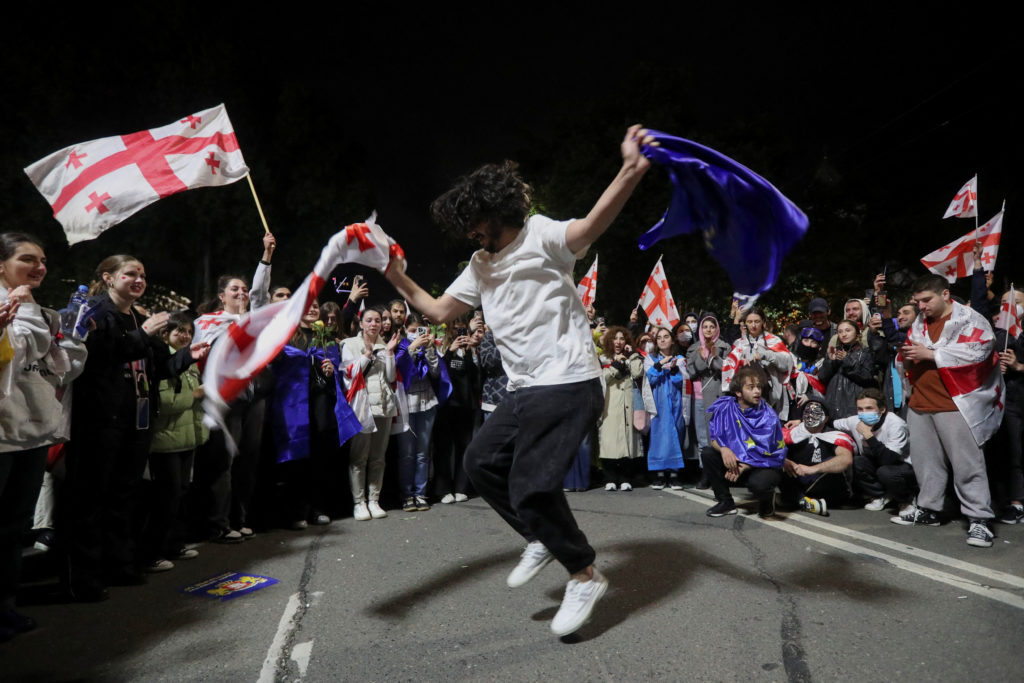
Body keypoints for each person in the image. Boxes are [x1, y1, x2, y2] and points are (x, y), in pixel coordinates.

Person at [384, 125, 653, 637]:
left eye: (475, 223)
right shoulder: (479, 264)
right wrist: (394, 273)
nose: (471, 233)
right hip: (524, 389)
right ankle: (541, 534)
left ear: (496, 211)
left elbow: (590, 226)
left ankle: (583, 572)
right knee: (480, 462)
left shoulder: (543, 236)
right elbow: (438, 311)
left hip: (568, 381)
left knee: (531, 484)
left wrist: (630, 169)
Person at [64, 255, 208, 601]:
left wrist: (188, 356)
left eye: (142, 274)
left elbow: (160, 367)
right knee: (92, 499)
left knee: (124, 495)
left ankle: (119, 564)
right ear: (108, 278)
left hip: (137, 421)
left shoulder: (138, 317)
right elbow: (98, 358)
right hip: (101, 420)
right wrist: (142, 334)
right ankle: (84, 577)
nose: (139, 280)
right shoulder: (95, 312)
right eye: (130, 274)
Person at [0, 233, 84, 639]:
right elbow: (25, 350)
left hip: (32, 433)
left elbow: (62, 366)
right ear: (1, 265)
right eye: (27, 259)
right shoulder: (19, 309)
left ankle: (5, 606)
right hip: (2, 433)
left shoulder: (42, 311)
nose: (39, 267)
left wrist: (72, 338)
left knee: (13, 528)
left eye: (43, 260)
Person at [895, 274, 1003, 548]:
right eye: (918, 302)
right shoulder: (920, 322)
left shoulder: (970, 320)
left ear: (945, 294)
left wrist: (931, 354)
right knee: (926, 463)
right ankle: (929, 509)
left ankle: (980, 519)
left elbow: (980, 351)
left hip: (955, 404)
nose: (921, 307)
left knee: (968, 464)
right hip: (920, 401)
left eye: (926, 300)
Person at [140, 312, 207, 572]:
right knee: (165, 498)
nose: (185, 336)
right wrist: (197, 394)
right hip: (165, 441)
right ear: (165, 334)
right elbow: (165, 403)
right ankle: (150, 553)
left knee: (180, 494)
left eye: (189, 331)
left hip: (186, 438)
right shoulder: (163, 359)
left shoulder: (188, 358)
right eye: (179, 330)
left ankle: (173, 544)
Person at [702, 366, 786, 518]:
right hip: (737, 463)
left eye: (759, 387)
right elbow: (714, 439)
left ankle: (767, 500)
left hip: (763, 464)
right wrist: (724, 449)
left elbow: (770, 454)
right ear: (738, 392)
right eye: (751, 387)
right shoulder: (725, 408)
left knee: (759, 484)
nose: (757, 391)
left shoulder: (768, 416)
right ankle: (725, 502)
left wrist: (745, 466)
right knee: (708, 454)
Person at [341, 307, 400, 521]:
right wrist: (366, 354)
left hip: (383, 406)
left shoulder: (385, 345)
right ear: (361, 323)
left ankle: (374, 500)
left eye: (377, 320)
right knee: (359, 457)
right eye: (369, 320)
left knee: (378, 457)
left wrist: (390, 352)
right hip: (362, 407)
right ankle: (359, 502)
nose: (374, 324)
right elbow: (349, 375)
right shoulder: (349, 344)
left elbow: (391, 378)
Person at [832, 388, 913, 514]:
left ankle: (907, 501)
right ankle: (880, 495)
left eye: (869, 408)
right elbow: (832, 423)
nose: (864, 413)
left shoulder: (896, 424)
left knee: (885, 472)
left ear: (882, 409)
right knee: (857, 462)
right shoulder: (855, 421)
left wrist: (869, 436)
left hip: (902, 466)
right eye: (860, 409)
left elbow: (889, 459)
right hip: (877, 463)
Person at [781, 401, 855, 516]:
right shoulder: (790, 433)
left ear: (826, 418)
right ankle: (802, 501)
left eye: (815, 413)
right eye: (807, 412)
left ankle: (795, 500)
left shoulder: (835, 435)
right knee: (777, 462)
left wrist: (812, 469)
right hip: (798, 480)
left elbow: (846, 459)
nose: (810, 416)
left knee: (834, 461)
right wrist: (785, 461)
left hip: (823, 483)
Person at [721, 308, 794, 417]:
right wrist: (740, 363)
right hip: (745, 398)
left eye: (757, 321)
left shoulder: (774, 340)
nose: (753, 325)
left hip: (770, 395)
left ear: (763, 322)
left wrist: (766, 354)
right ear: (745, 323)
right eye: (750, 322)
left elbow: (787, 363)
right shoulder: (739, 343)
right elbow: (729, 365)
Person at [686, 314, 731, 486]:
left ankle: (718, 472)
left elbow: (727, 370)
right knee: (702, 437)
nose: (708, 330)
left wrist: (713, 358)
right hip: (699, 397)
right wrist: (703, 358)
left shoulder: (725, 347)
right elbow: (692, 371)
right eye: (705, 327)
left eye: (712, 326)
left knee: (718, 436)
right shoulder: (694, 348)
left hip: (719, 396)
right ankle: (705, 472)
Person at [597, 327, 643, 491]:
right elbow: (602, 379)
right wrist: (615, 365)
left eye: (622, 339)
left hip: (628, 404)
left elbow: (638, 372)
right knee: (609, 441)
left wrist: (633, 355)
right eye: (615, 338)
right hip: (609, 404)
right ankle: (609, 477)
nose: (618, 342)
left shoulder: (631, 357)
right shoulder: (603, 358)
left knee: (627, 441)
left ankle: (625, 477)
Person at [646, 326, 687, 489]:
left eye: (666, 336)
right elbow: (649, 379)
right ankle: (659, 473)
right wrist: (660, 365)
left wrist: (674, 369)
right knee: (658, 435)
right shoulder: (650, 359)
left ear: (672, 340)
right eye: (659, 337)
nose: (662, 340)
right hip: (658, 403)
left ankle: (674, 473)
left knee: (676, 433)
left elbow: (682, 381)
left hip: (676, 402)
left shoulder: (680, 359)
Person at [818, 319, 880, 420]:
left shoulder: (865, 352)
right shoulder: (835, 351)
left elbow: (867, 377)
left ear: (857, 333)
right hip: (833, 402)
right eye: (840, 331)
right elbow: (822, 377)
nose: (844, 334)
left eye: (848, 330)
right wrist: (830, 361)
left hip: (854, 403)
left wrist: (847, 360)